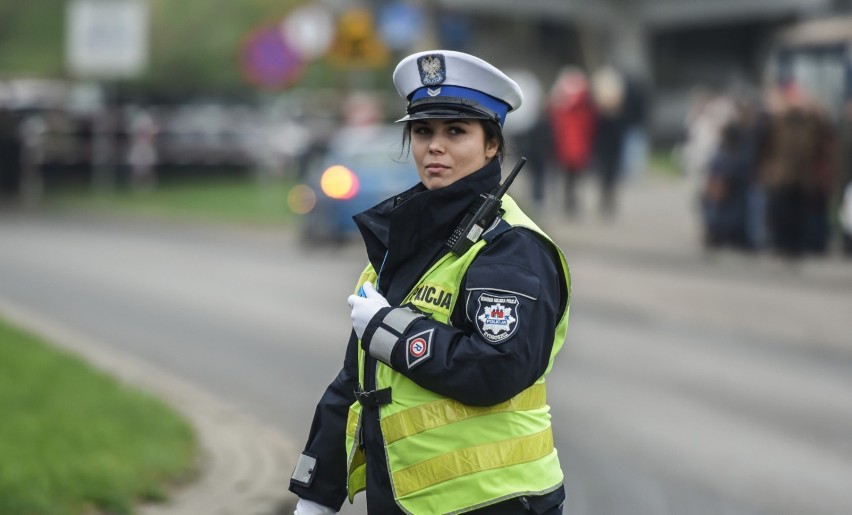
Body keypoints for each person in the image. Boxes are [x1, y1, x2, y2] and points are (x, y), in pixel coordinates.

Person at [289, 50, 572, 514]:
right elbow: (360, 380)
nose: (434, 147)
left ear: (492, 146)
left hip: (496, 502)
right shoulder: (405, 240)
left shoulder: (513, 247)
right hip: (406, 502)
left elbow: (496, 369)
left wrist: (389, 329)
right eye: (423, 131)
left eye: (455, 132)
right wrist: (315, 496)